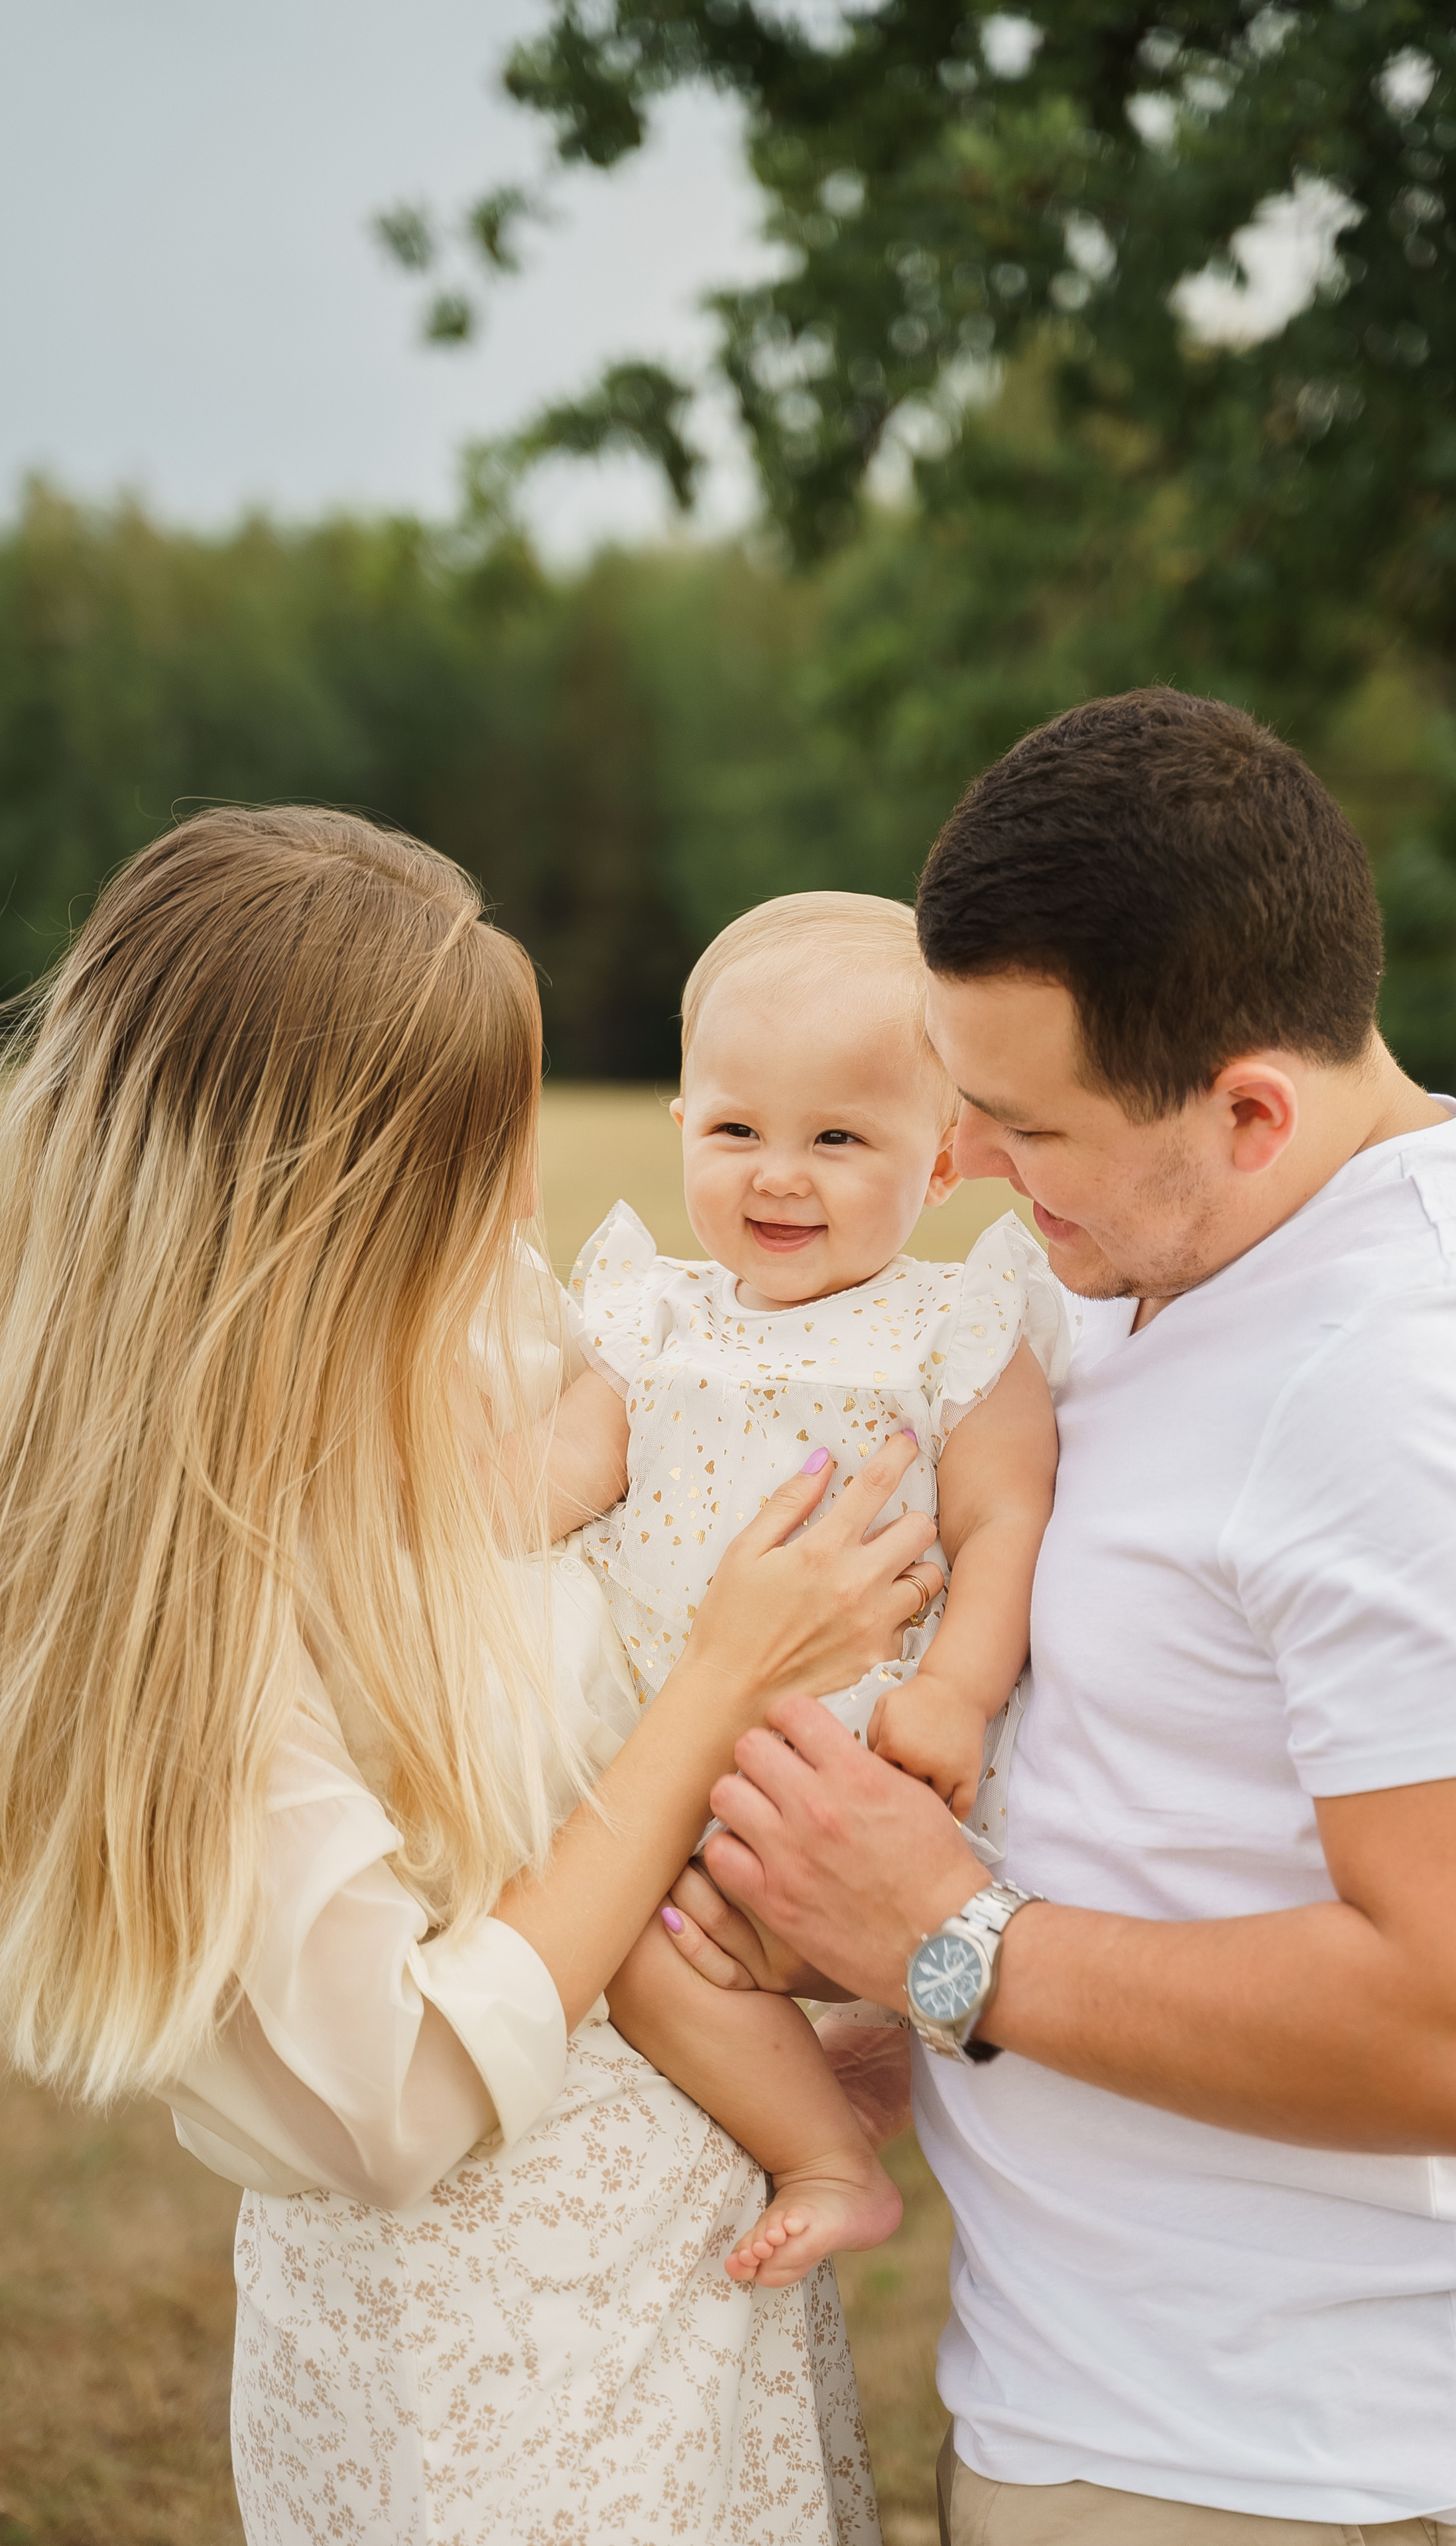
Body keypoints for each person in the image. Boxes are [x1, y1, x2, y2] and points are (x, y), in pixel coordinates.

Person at [662, 690, 1456, 2546]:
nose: (968, 1168)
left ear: (1249, 1109)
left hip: (1344, 2473)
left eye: (1021, 1125)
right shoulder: (1153, 1251)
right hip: (1108, 2413)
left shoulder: (1428, 1395)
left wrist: (945, 1939)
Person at [0, 806, 945, 2546]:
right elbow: (396, 2105)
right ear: (323, 1198)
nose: (524, 1202)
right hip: (492, 2373)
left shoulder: (461, 1326)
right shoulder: (181, 1586)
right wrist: (724, 1679)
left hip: (694, 2269)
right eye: (479, 1150)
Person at [543, 891, 1070, 2289]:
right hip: (666, 1750)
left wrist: (955, 1691)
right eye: (737, 1131)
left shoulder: (949, 1325)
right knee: (644, 1944)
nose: (779, 1177)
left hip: (853, 1757)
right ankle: (831, 2126)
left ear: (941, 1160)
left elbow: (1005, 1518)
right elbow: (563, 1471)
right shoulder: (651, 1316)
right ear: (681, 1127)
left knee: (742, 1932)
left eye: (838, 1139)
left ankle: (849, 2108)